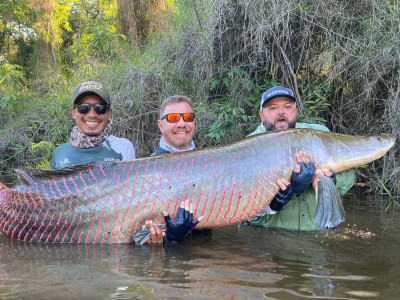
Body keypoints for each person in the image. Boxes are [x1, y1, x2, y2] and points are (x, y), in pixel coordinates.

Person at [246, 86, 355, 230]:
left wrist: (332, 180)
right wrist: (275, 203)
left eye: (287, 106)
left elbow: (350, 176)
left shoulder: (319, 134)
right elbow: (242, 210)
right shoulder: (248, 147)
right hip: (272, 235)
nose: (281, 112)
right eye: (272, 108)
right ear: (261, 115)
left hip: (319, 233)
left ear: (295, 111)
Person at [51, 79, 135, 169]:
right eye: (83, 107)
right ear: (73, 112)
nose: (92, 115)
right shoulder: (59, 153)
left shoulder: (124, 147)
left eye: (100, 108)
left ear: (109, 113)